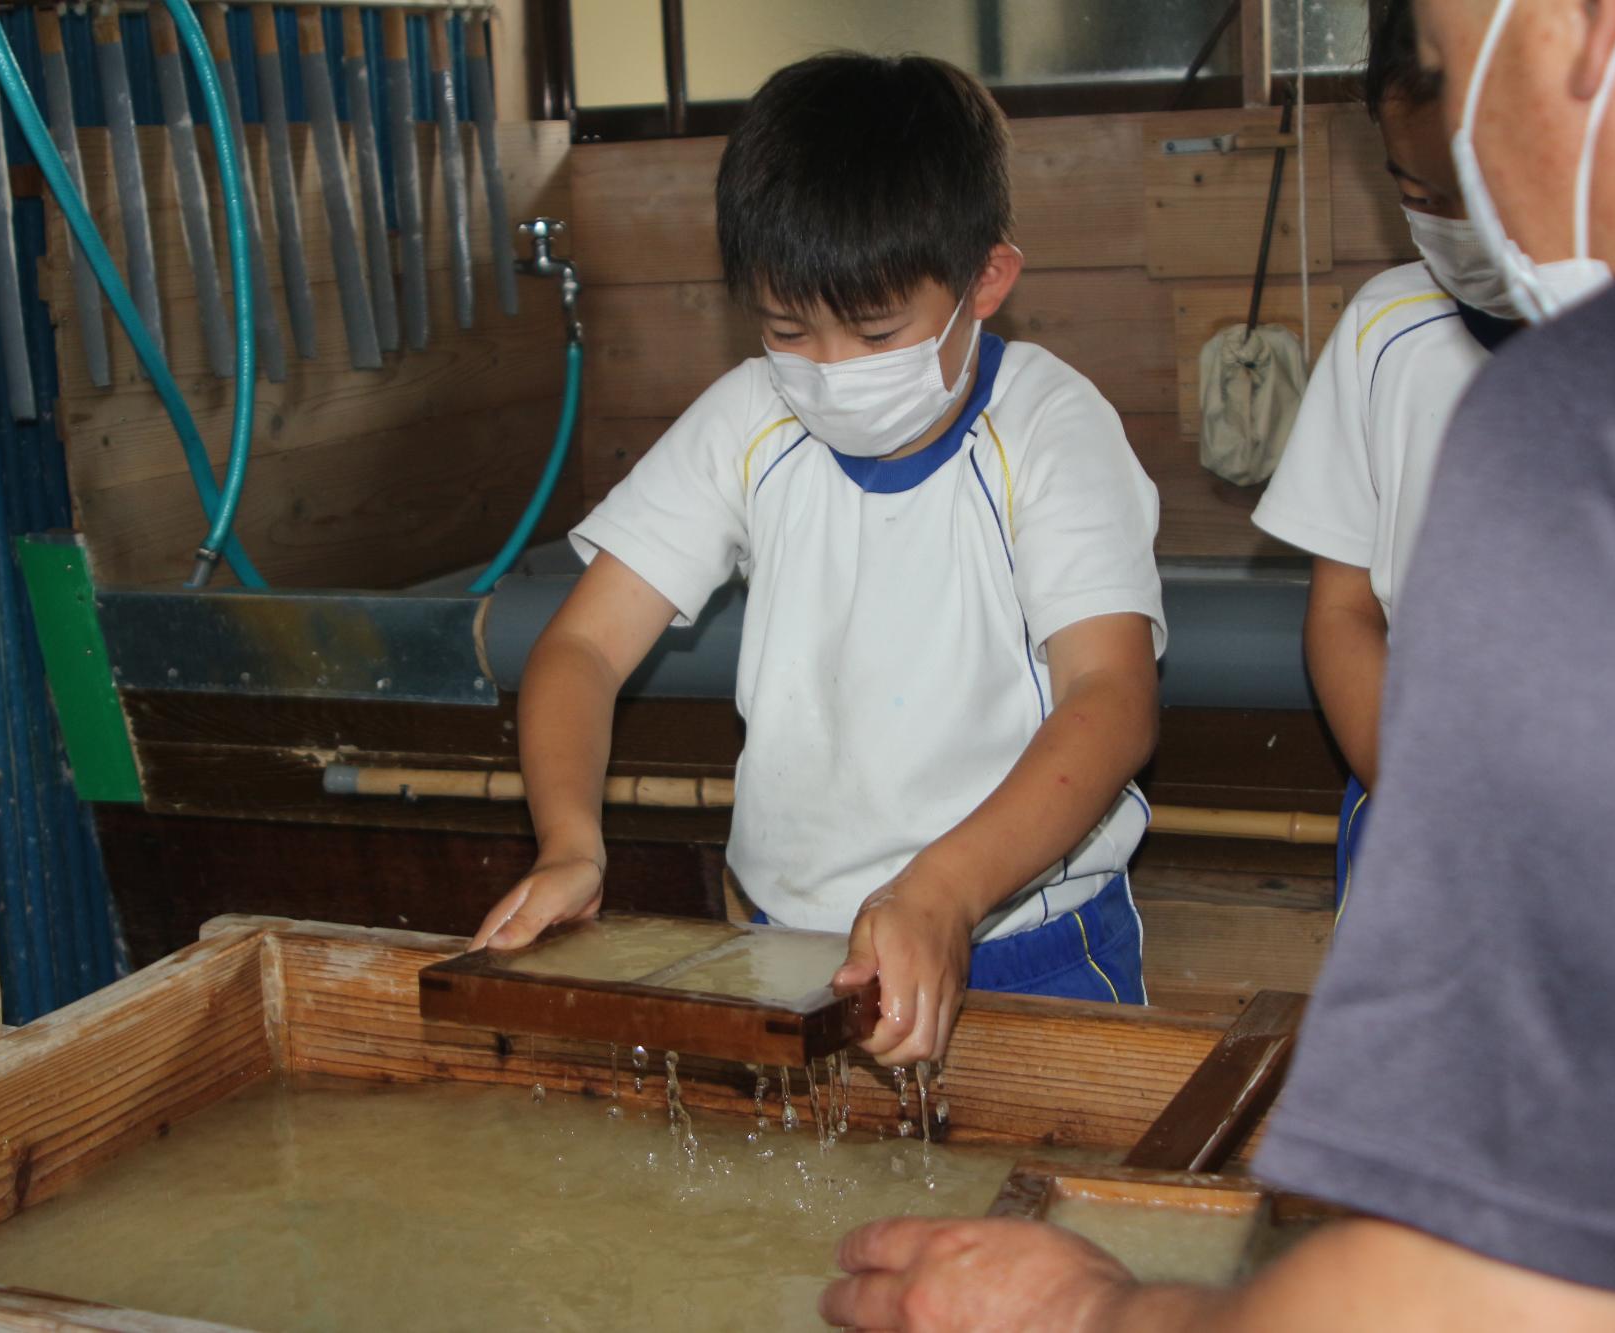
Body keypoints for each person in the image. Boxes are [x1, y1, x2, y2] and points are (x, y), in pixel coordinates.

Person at [823, 0, 1615, 1326]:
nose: (1459, 143)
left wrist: (1085, 1314)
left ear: (1585, 21)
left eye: (1450, 72)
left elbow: (1505, 1297)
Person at [467, 53, 1167, 1067]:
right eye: (787, 329)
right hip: (781, 948)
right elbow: (579, 648)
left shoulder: (1051, 430)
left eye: (875, 333)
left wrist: (942, 889)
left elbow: (1110, 699)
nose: (828, 372)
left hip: (1022, 939)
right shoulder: (749, 418)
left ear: (985, 281)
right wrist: (571, 841)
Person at [1250, 0, 1522, 914]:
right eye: (1415, 193)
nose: (1449, 223)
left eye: (1479, 194)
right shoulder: (1386, 330)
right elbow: (1343, 608)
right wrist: (1418, 792)